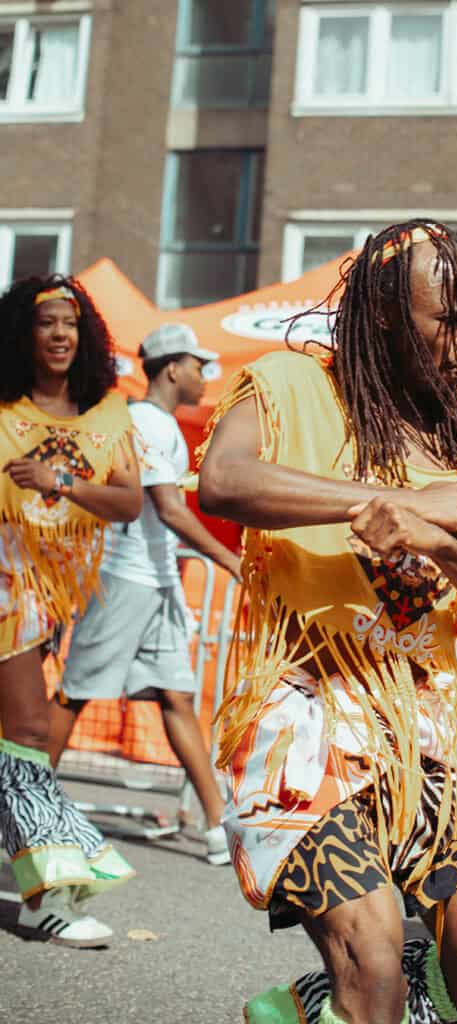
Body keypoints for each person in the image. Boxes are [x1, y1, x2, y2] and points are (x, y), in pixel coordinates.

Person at [197, 220, 457, 1024]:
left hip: (430, 728)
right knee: (374, 962)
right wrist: (391, 504)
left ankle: (317, 1005)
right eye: (445, 320)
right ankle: (355, 997)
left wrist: (439, 543)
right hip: (306, 712)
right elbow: (222, 480)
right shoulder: (288, 383)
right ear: (384, 314)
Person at [48, 323, 242, 865]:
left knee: (176, 696)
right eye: (199, 366)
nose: (205, 377)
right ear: (172, 368)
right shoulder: (144, 422)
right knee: (76, 692)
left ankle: (215, 826)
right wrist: (231, 560)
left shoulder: (163, 425)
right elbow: (172, 509)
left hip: (154, 580)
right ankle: (26, 806)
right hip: (124, 576)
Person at [0, 274, 142, 946]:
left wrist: (62, 480)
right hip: (3, 580)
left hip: (51, 592)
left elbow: (129, 502)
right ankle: (52, 890)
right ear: (21, 335)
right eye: (45, 322)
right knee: (29, 727)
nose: (59, 335)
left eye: (71, 324)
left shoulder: (109, 415)